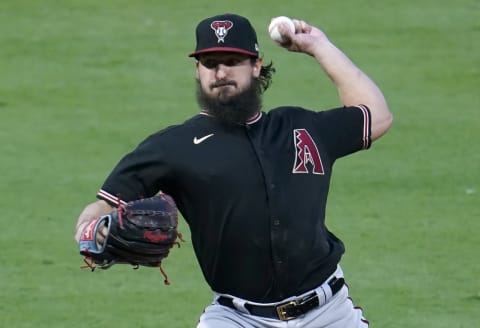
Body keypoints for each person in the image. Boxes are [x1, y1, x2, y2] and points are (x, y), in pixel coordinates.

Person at [75, 13, 393, 328]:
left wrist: (319, 46)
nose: (221, 72)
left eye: (232, 60)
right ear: (198, 71)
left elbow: (377, 115)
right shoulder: (172, 147)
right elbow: (100, 207)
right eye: (210, 63)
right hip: (237, 318)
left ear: (256, 66)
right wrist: (94, 231)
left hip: (330, 314)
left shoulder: (301, 128)